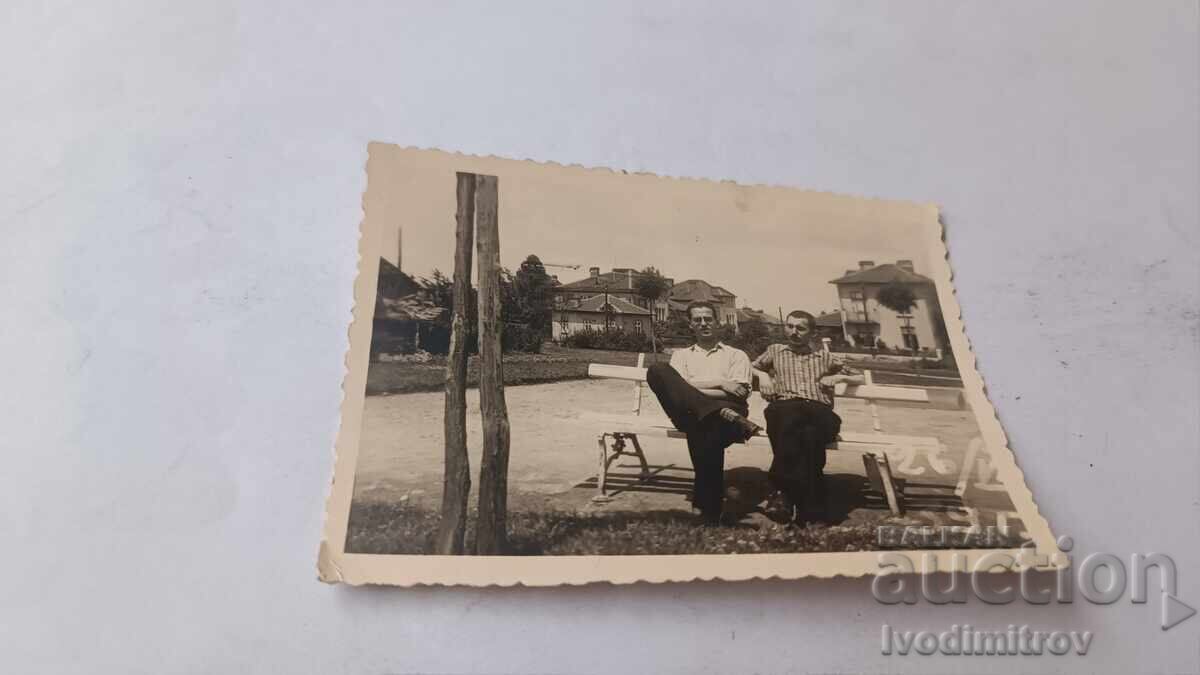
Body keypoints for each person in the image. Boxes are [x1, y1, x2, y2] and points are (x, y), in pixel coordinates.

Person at [645, 301, 761, 525]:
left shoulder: (736, 355)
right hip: (706, 412)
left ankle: (708, 508)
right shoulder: (680, 356)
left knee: (704, 429)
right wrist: (720, 382)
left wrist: (692, 387)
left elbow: (739, 393)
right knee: (657, 369)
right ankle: (716, 412)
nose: (703, 323)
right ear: (690, 325)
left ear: (717, 322)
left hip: (728, 411)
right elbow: (677, 390)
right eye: (697, 320)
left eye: (708, 319)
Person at [752, 310, 865, 524]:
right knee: (807, 435)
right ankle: (811, 509)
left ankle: (780, 491)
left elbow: (860, 377)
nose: (793, 332)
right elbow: (751, 367)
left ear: (812, 333)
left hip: (818, 412)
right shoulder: (775, 351)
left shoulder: (825, 357)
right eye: (789, 326)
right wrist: (763, 375)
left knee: (799, 421)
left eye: (800, 328)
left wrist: (839, 377)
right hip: (786, 411)